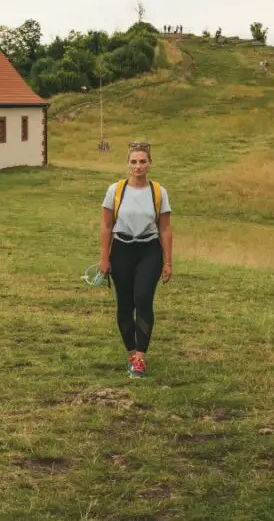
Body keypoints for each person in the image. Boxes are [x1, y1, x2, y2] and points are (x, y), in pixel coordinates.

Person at [98, 141, 172, 378]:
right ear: (127, 164)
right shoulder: (115, 190)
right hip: (121, 250)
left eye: (143, 161)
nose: (138, 166)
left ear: (150, 163)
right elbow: (106, 225)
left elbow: (166, 229)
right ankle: (131, 352)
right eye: (134, 162)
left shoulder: (159, 192)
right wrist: (104, 258)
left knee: (143, 298)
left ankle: (141, 358)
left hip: (149, 250)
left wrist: (168, 262)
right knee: (125, 304)